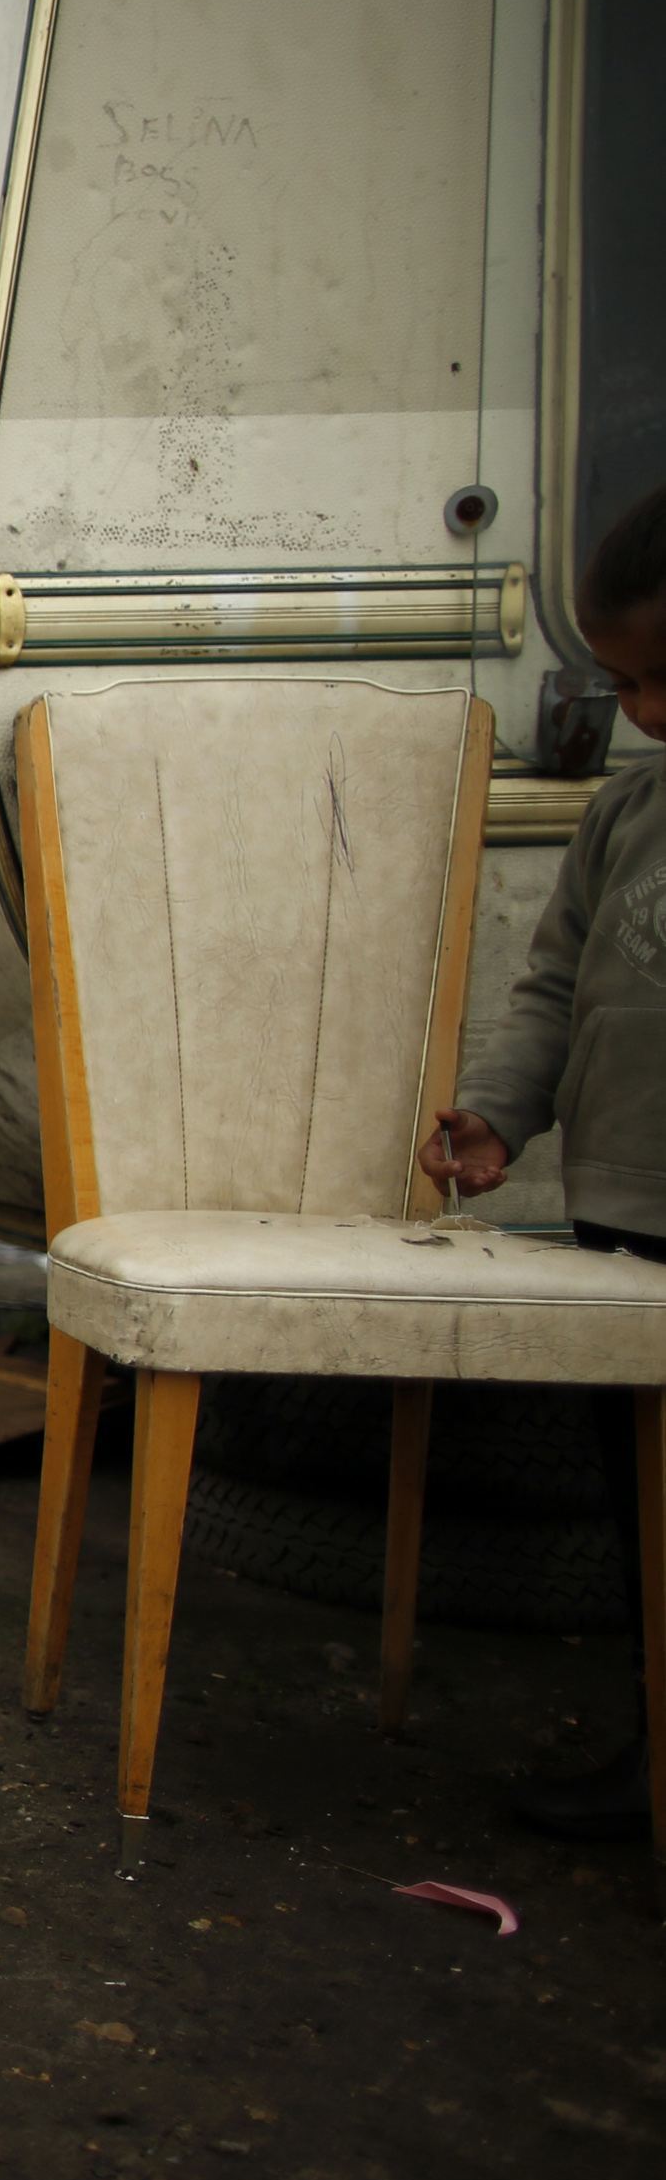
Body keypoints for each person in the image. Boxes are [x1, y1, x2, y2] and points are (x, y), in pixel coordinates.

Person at [421, 478, 666, 1842]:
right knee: (650, 1519)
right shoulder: (626, 820)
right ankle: (655, 1751)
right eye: (625, 684)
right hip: (632, 1226)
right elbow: (556, 988)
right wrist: (503, 1114)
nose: (643, 714)